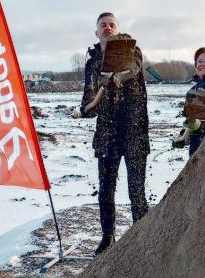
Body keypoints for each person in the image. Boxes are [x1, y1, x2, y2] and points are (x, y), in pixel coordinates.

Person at [78, 12, 150, 255]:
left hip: (134, 129)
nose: (107, 28)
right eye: (103, 26)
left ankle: (142, 238)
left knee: (136, 189)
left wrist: (116, 78)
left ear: (117, 30)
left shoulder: (132, 51)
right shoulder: (92, 64)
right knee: (106, 189)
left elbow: (133, 68)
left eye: (111, 25)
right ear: (97, 32)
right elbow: (88, 99)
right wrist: (88, 107)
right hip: (107, 132)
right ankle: (108, 237)